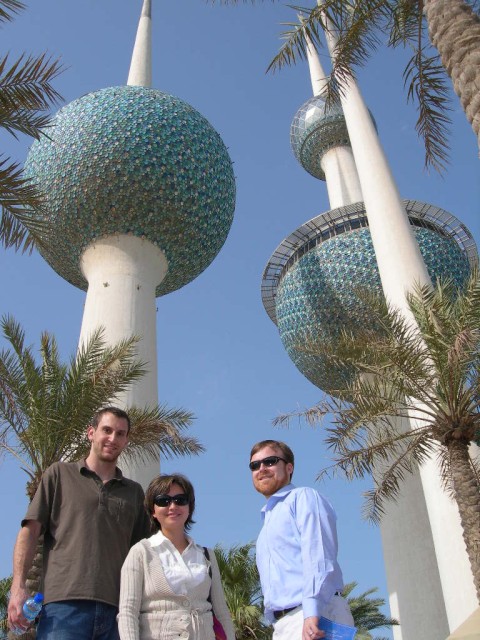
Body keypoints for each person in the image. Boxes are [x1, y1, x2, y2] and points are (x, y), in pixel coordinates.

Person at [8, 406, 151, 640]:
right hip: (63, 609)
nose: (113, 438)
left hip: (119, 612)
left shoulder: (134, 492)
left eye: (120, 434)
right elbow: (30, 532)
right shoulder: (59, 475)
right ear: (91, 433)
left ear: (126, 441)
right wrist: (18, 587)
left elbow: (143, 553)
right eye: (107, 430)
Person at [249, 440, 354, 640]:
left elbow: (319, 556)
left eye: (270, 461)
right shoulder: (266, 525)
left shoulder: (304, 497)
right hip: (285, 624)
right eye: (255, 465)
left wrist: (312, 612)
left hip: (315, 616)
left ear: (289, 467)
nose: (261, 469)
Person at [118, 473, 235, 640]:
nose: (172, 506)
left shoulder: (207, 555)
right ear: (153, 511)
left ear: (189, 507)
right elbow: (128, 612)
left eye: (180, 500)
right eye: (163, 501)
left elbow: (222, 613)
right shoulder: (141, 552)